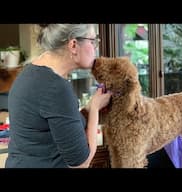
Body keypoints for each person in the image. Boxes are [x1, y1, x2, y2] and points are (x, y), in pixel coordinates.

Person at [5, 24, 112, 168]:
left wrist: (87, 109)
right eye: (92, 41)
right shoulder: (55, 87)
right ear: (73, 45)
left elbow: (56, 122)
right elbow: (81, 163)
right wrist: (94, 109)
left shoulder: (29, 73)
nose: (95, 48)